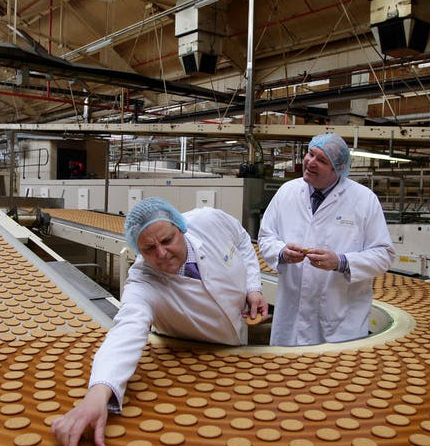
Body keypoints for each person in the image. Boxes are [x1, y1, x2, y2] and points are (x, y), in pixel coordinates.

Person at [51, 197, 268, 446]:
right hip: (195, 362)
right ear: (138, 250)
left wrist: (253, 287)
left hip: (239, 347)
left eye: (167, 241)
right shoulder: (144, 281)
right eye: (149, 249)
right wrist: (98, 394)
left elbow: (241, 240)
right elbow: (126, 331)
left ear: (181, 227)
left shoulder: (209, 220)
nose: (162, 254)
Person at [259, 132, 394, 346]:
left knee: (334, 377)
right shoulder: (287, 192)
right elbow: (266, 237)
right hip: (291, 319)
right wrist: (282, 253)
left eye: (321, 160)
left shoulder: (364, 200)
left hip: (340, 320)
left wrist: (341, 262)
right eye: (310, 154)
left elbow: (383, 254)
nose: (310, 162)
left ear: (338, 169)